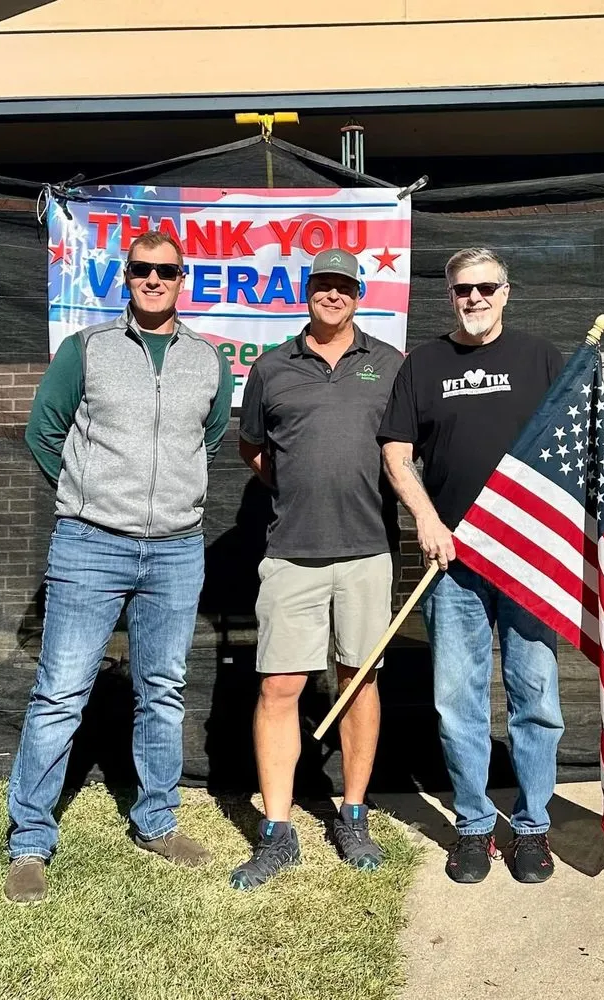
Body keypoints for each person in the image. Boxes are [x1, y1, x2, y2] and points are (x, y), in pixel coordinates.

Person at [5, 230, 232, 903]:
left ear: (182, 277)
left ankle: (157, 822)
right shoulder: (87, 351)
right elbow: (43, 430)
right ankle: (29, 842)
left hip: (176, 548)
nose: (154, 280)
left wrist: (165, 499)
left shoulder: (207, 360)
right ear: (125, 277)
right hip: (89, 544)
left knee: (161, 688)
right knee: (60, 693)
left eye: (166, 270)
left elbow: (209, 436)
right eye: (142, 270)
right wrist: (84, 496)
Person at [379, 247, 565, 885]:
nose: (475, 299)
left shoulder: (541, 359)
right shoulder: (424, 364)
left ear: (506, 292)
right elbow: (397, 453)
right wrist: (428, 523)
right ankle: (474, 826)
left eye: (486, 288)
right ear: (450, 296)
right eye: (463, 290)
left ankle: (532, 828)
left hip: (529, 561)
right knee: (457, 701)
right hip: (452, 562)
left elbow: (575, 453)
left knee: (535, 698)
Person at [230, 249, 404, 890]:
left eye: (345, 287)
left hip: (367, 551)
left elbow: (405, 451)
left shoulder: (388, 365)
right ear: (307, 292)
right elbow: (252, 447)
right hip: (289, 554)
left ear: (359, 295)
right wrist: (295, 486)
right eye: (323, 285)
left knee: (359, 681)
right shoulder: (272, 368)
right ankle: (278, 832)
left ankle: (352, 814)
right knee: (279, 689)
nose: (333, 295)